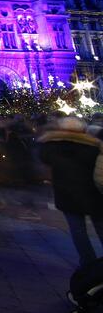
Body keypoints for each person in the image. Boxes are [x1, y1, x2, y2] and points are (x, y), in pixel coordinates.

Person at [37, 114, 103, 268]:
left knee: (78, 231)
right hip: (92, 192)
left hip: (67, 193)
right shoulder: (93, 145)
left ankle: (88, 262)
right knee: (100, 227)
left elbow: (44, 159)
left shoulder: (51, 146)